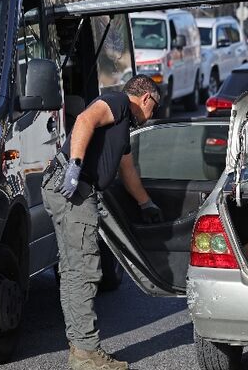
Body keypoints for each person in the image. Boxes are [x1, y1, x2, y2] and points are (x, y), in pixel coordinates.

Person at [41, 75, 163, 370]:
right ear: (147, 98)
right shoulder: (118, 103)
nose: (152, 116)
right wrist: (75, 166)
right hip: (74, 189)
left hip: (67, 189)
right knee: (83, 271)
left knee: (72, 271)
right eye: (154, 109)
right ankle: (86, 354)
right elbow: (84, 120)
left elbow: (127, 169)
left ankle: (79, 348)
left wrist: (146, 203)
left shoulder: (121, 128)